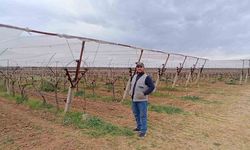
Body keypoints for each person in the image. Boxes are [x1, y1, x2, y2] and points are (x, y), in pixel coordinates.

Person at [129, 62, 155, 138]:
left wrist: (144, 93)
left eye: (141, 67)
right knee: (136, 114)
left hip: (142, 100)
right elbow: (133, 85)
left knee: (143, 116)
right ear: (136, 68)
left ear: (143, 68)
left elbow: (152, 87)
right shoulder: (135, 76)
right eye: (138, 67)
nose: (139, 68)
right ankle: (139, 127)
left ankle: (143, 131)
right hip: (134, 99)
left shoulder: (147, 77)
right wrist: (131, 92)